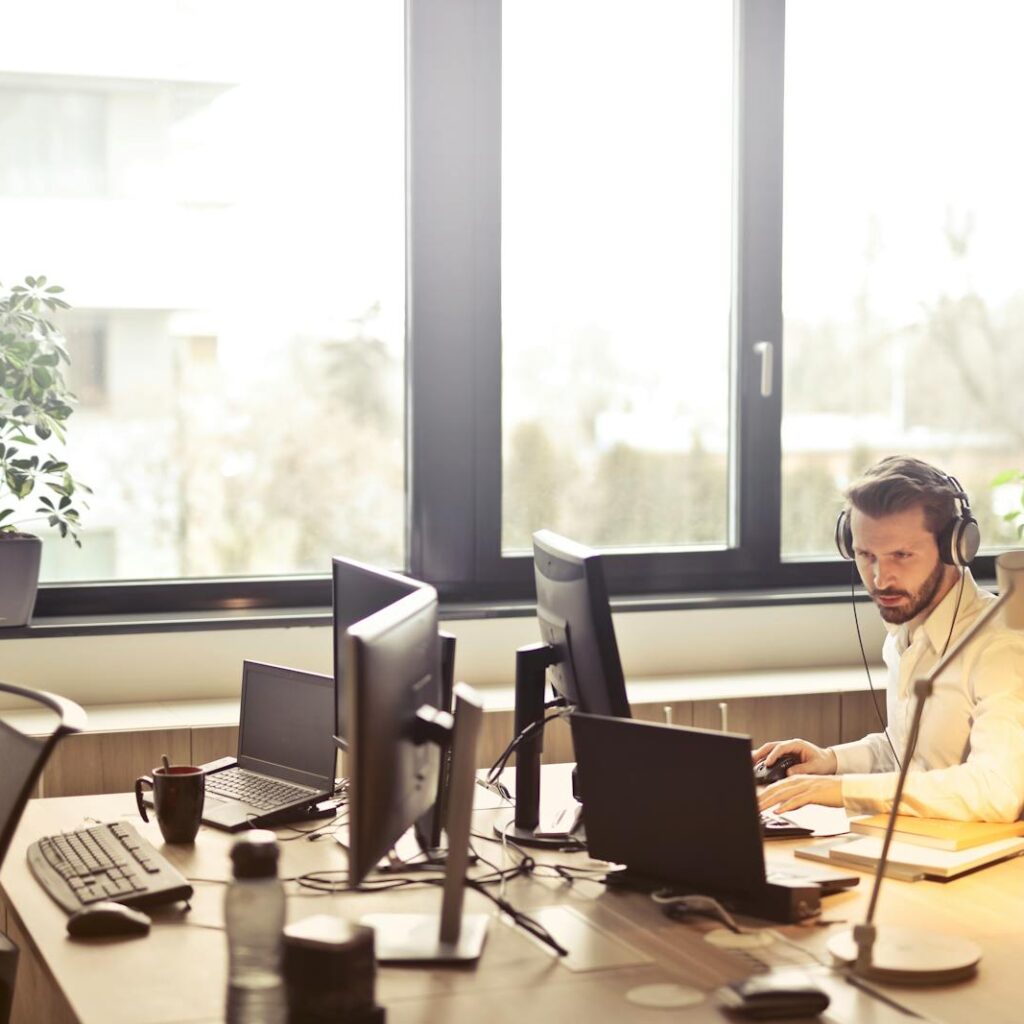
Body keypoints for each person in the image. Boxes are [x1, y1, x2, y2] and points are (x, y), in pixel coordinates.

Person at [755, 455, 1024, 822]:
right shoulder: (905, 632)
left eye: (901, 555)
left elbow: (997, 790)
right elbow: (910, 754)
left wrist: (843, 790)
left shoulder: (1001, 647)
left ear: (956, 548)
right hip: (918, 843)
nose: (880, 579)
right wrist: (832, 761)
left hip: (983, 864)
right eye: (866, 555)